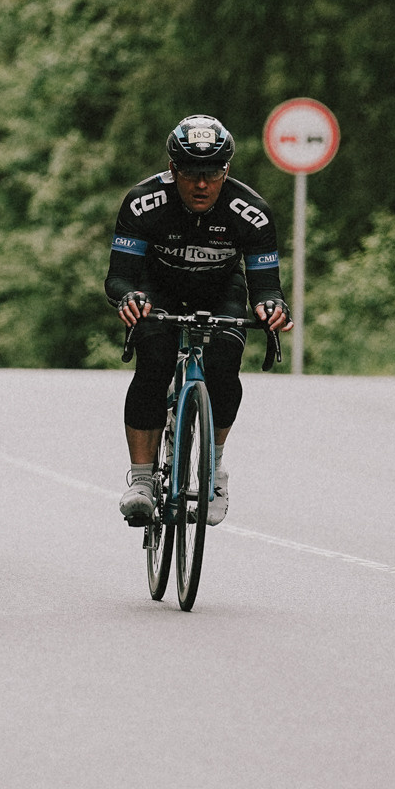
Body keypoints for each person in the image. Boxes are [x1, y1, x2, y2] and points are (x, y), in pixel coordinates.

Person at [104, 115, 288, 527]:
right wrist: (129, 298)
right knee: (154, 361)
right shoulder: (143, 202)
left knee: (224, 365)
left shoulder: (251, 212)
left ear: (227, 170)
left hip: (221, 289)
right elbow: (119, 277)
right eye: (190, 173)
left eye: (213, 173)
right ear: (173, 169)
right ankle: (142, 480)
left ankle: (214, 470)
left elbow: (267, 288)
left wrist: (272, 308)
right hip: (157, 288)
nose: (202, 184)